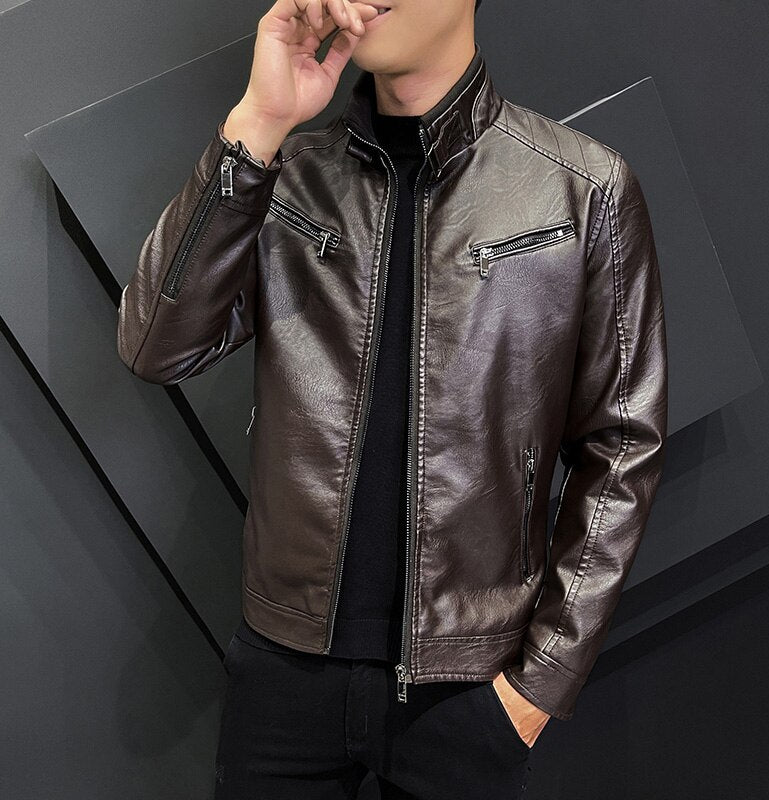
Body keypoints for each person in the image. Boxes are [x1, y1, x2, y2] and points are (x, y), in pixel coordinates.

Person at [116, 0, 668, 797]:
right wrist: (258, 123)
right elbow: (156, 347)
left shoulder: (581, 189)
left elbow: (622, 446)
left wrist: (540, 685)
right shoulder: (285, 172)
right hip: (283, 671)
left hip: (469, 684)